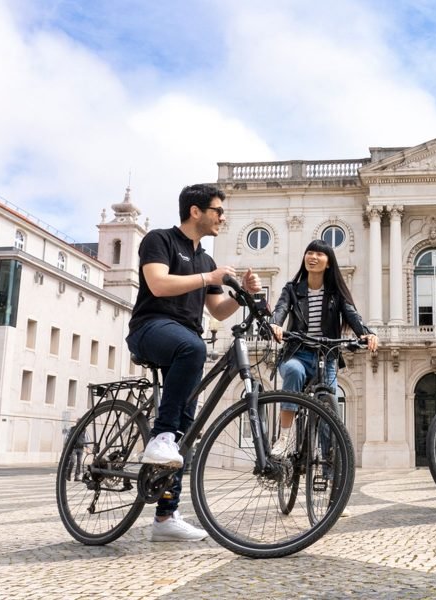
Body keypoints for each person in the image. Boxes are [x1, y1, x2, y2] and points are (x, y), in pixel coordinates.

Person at [126, 183, 262, 541]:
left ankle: (165, 517)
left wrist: (243, 294)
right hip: (150, 328)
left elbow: (218, 309)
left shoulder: (206, 259)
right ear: (196, 211)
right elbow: (157, 284)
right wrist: (209, 278)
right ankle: (160, 436)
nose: (223, 216)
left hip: (184, 341)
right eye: (218, 210)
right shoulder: (159, 240)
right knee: (195, 349)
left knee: (188, 424)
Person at [268, 239, 378, 455]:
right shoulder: (292, 289)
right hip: (297, 353)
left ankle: (329, 460)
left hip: (326, 356)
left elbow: (351, 315)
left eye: (319, 254)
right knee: (293, 371)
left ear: (328, 263)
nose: (313, 257)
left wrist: (367, 333)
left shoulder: (336, 293)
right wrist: (275, 324)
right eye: (309, 253)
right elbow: (281, 308)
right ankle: (284, 437)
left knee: (329, 405)